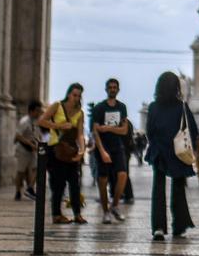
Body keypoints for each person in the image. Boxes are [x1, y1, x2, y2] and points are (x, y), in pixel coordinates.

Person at [145, 71, 199, 241]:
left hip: (160, 150)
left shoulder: (153, 106)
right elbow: (193, 130)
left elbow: (149, 131)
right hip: (179, 151)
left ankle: (159, 227)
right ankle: (179, 226)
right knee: (178, 189)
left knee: (158, 189)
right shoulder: (181, 106)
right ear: (177, 87)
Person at [38, 83, 87, 224]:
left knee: (75, 183)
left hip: (71, 150)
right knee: (58, 184)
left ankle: (77, 213)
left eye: (78, 96)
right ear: (68, 94)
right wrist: (58, 126)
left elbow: (80, 134)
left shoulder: (80, 112)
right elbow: (41, 121)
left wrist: (82, 151)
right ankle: (56, 214)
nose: (76, 98)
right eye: (74, 95)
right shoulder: (57, 106)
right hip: (56, 149)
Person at [90, 78, 130, 224]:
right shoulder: (99, 108)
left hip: (117, 146)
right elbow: (95, 131)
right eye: (110, 87)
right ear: (106, 89)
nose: (113, 89)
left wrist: (107, 128)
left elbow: (124, 130)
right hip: (103, 147)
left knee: (122, 175)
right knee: (102, 179)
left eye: (115, 87)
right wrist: (102, 151)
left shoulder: (122, 107)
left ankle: (115, 205)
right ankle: (105, 211)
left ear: (118, 90)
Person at [12, 101, 41, 201]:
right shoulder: (24, 121)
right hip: (23, 149)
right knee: (21, 171)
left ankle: (30, 187)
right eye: (37, 111)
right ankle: (17, 191)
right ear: (31, 111)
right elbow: (18, 136)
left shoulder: (36, 122)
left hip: (32, 150)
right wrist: (29, 143)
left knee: (37, 168)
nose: (39, 113)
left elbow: (36, 134)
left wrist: (37, 143)